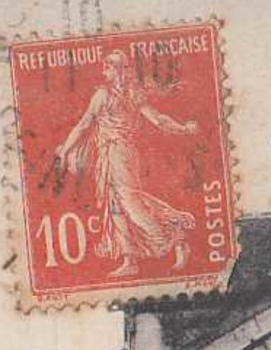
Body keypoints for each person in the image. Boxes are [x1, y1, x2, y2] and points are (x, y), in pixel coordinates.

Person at [53, 50, 200, 279]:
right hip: (111, 155)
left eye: (108, 67)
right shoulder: (123, 95)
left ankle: (175, 235)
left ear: (117, 70)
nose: (104, 71)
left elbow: (84, 124)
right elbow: (157, 119)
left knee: (130, 201)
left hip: (119, 153)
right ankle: (129, 258)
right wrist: (182, 128)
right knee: (116, 206)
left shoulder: (115, 95)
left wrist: (65, 150)